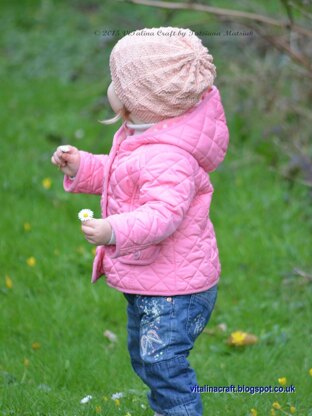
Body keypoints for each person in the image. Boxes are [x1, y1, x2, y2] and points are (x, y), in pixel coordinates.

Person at [51, 27, 229, 416]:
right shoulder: (148, 133)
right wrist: (82, 166)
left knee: (163, 366)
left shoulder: (170, 155)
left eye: (117, 81)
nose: (110, 87)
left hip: (175, 291)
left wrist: (114, 230)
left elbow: (162, 215)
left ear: (138, 100)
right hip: (158, 280)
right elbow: (125, 177)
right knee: (149, 359)